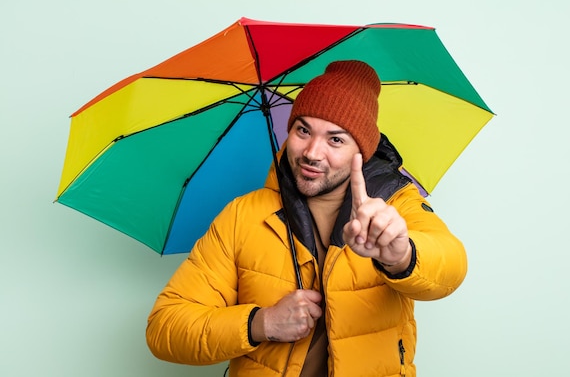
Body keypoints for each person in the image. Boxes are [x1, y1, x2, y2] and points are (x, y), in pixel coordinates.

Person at [146, 60, 467, 376]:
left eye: (335, 139)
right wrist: (262, 323)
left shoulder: (394, 204)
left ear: (362, 151)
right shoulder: (243, 215)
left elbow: (452, 266)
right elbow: (166, 327)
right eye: (303, 130)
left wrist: (402, 256)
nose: (312, 152)